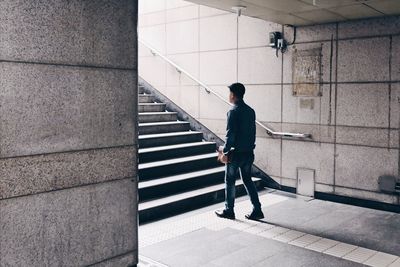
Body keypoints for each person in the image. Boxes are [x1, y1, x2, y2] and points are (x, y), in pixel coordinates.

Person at [215, 82, 264, 221]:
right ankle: (257, 209)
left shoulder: (233, 111)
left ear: (233, 95)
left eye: (229, 93)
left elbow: (230, 135)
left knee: (229, 181)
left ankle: (229, 210)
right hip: (248, 152)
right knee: (248, 180)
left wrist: (224, 151)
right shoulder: (250, 111)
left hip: (235, 154)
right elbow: (252, 133)